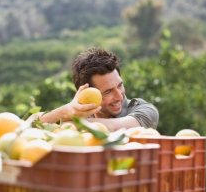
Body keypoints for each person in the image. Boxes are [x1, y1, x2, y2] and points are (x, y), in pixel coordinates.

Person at [27, 47, 159, 132]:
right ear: (86, 92)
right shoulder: (79, 115)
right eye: (108, 91)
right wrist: (67, 111)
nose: (119, 96)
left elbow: (113, 127)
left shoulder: (145, 111)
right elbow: (29, 122)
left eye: (120, 85)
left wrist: (67, 124)